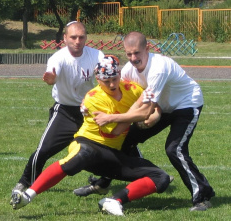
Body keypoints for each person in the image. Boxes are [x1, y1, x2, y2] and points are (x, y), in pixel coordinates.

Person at [11, 55, 171, 216]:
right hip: (89, 143)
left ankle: (114, 201)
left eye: (114, 78)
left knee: (161, 177)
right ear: (97, 79)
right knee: (84, 153)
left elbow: (153, 105)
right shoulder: (93, 98)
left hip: (113, 153)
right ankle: (28, 195)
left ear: (120, 73)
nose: (112, 84)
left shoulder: (133, 89)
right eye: (106, 81)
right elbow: (116, 130)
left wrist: (153, 114)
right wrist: (139, 113)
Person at [74, 31, 215, 212]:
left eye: (137, 53)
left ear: (147, 48)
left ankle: (202, 196)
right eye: (129, 54)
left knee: (174, 149)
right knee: (126, 139)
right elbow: (114, 89)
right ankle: (104, 183)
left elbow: (146, 107)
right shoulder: (128, 71)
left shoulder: (159, 67)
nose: (133, 58)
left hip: (187, 104)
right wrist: (87, 100)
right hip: (161, 106)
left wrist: (113, 118)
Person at [10, 21, 104, 197]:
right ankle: (24, 183)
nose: (77, 41)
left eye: (81, 37)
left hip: (90, 112)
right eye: (73, 37)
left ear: (86, 38)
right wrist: (51, 78)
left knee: (112, 147)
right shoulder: (57, 58)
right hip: (65, 112)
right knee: (43, 150)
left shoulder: (97, 55)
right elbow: (52, 76)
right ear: (65, 38)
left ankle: (106, 182)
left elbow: (104, 77)